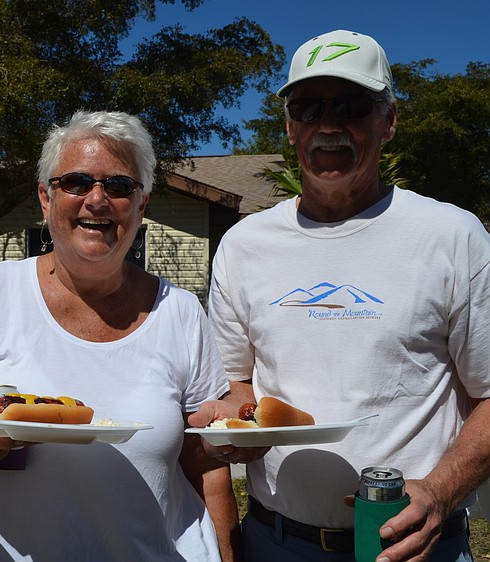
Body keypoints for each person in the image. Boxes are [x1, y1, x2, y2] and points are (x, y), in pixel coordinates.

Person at [189, 29, 490, 562]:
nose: (328, 125)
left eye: (352, 106)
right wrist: (230, 421)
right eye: (308, 108)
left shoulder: (453, 237)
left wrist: (439, 494)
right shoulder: (244, 244)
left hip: (414, 545)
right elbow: (237, 382)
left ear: (389, 120)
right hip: (276, 542)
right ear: (289, 126)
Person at [0, 110, 239, 561]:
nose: (97, 200)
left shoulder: (178, 311)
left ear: (142, 205)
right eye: (77, 183)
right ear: (45, 198)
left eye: (119, 186)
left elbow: (205, 468)